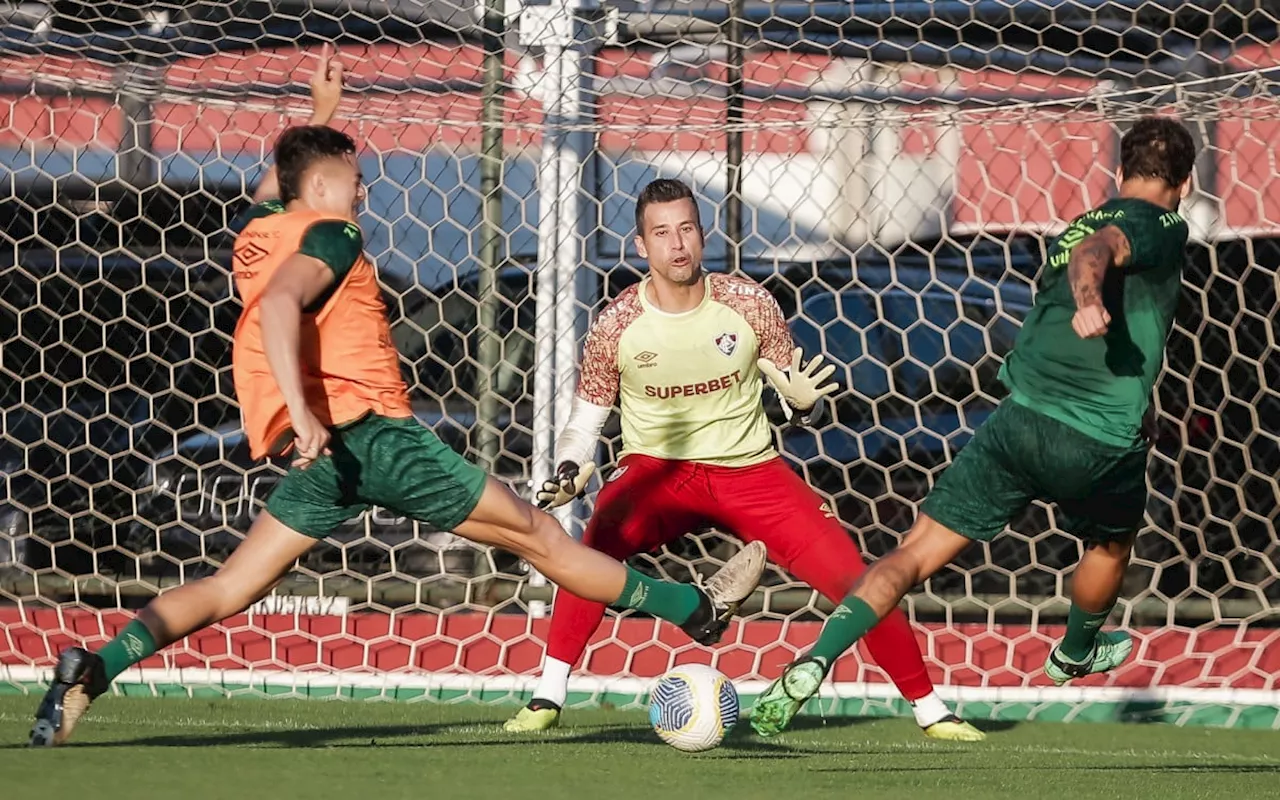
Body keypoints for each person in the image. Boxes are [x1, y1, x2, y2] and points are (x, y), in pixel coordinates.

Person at [28, 47, 767, 748]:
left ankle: (95, 670)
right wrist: (307, 407)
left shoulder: (260, 231)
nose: (364, 188)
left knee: (229, 587)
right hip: (379, 438)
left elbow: (275, 194)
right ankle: (695, 611)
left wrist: (322, 111)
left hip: (327, 459)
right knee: (540, 537)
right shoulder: (334, 235)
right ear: (321, 191)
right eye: (353, 177)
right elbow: (282, 308)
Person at [749, 116, 1197, 737]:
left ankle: (816, 659)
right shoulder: (1161, 223)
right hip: (1097, 438)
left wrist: (1088, 292)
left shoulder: (1074, 227)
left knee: (910, 555)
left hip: (1015, 420)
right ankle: (1074, 651)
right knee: (1110, 545)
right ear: (1187, 181)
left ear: (1117, 173)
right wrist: (1093, 297)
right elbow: (1105, 252)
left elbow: (1088, 249)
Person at [502, 178, 983, 741]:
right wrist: (572, 469)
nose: (677, 244)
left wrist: (802, 408)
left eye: (686, 229)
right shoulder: (616, 323)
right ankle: (547, 696)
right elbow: (586, 421)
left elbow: (790, 393)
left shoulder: (749, 302)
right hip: (656, 472)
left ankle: (932, 711)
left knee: (860, 578)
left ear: (702, 236)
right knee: (592, 549)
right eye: (662, 233)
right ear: (641, 246)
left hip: (750, 470)